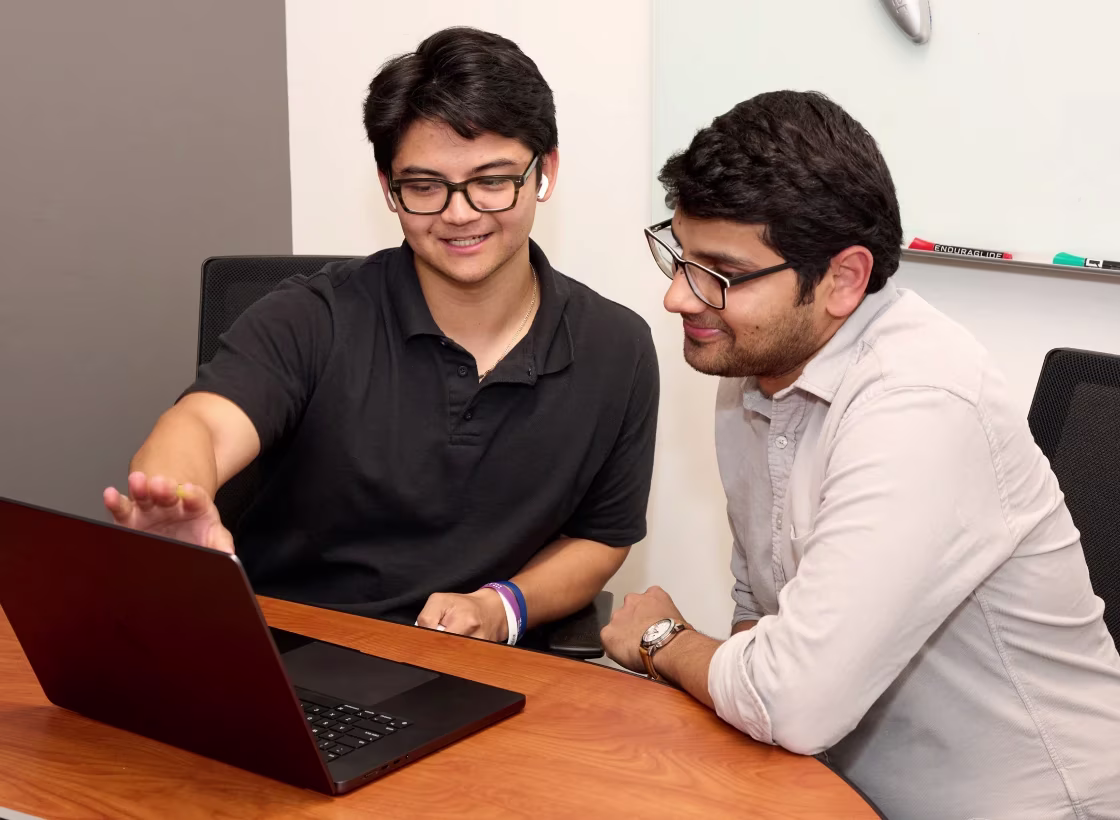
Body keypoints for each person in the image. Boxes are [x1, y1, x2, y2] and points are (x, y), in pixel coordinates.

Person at [601, 90, 1120, 819]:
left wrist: (663, 638)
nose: (680, 300)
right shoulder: (752, 364)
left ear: (843, 278)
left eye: (719, 272)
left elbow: (794, 700)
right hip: (836, 786)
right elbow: (762, 612)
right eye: (679, 257)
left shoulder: (923, 401)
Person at [102, 27, 658, 645]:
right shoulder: (312, 318)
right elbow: (201, 425)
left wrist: (503, 607)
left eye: (492, 180)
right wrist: (178, 504)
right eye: (423, 187)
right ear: (387, 186)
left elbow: (601, 538)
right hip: (289, 656)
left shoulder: (618, 348)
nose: (459, 212)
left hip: (477, 672)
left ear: (543, 171)